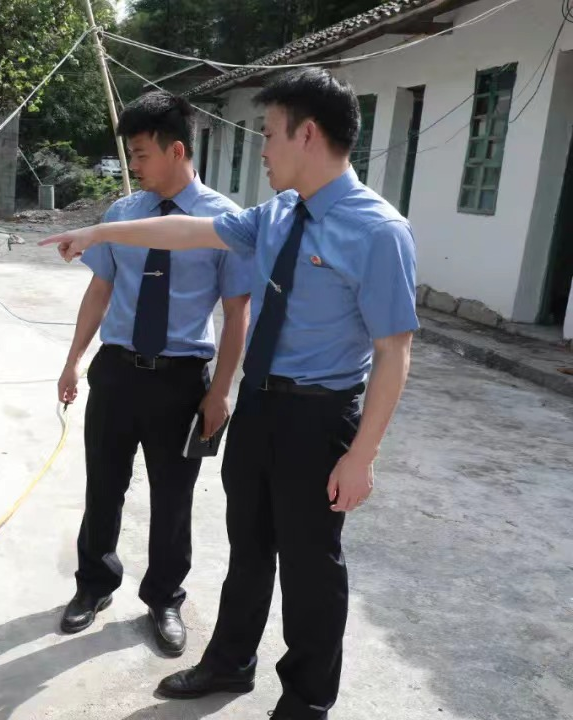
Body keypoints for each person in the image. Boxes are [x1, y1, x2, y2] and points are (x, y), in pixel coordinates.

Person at [42, 68, 417, 719]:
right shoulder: (274, 217)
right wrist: (103, 233)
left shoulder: (377, 231)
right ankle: (230, 663)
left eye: (269, 135)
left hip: (318, 415)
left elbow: (394, 352)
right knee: (248, 548)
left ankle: (305, 698)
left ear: (307, 134)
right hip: (262, 406)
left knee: (310, 568)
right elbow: (187, 232)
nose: (263, 150)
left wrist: (362, 455)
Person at [57, 90, 252, 658]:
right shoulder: (121, 216)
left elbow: (238, 312)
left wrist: (220, 392)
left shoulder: (225, 221)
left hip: (181, 379)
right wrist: (73, 360)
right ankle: (94, 585)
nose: (133, 166)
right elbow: (101, 289)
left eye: (141, 155)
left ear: (176, 150)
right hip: (117, 372)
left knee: (173, 497)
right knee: (104, 488)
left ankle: (164, 597)